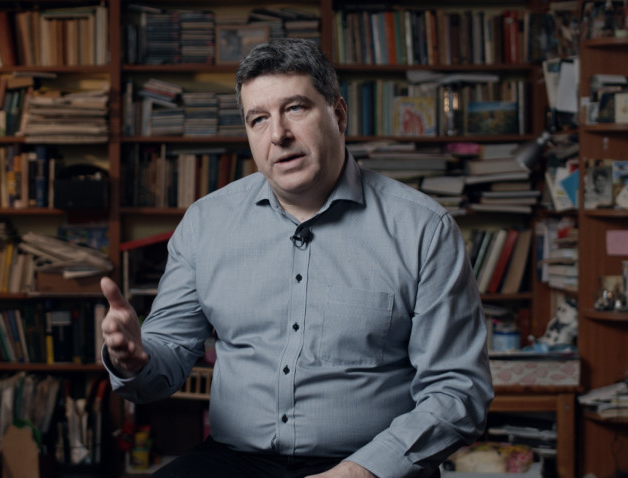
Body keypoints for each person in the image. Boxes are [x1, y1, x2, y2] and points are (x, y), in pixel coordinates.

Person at [99, 38, 493, 478]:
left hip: (371, 464)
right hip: (235, 461)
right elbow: (165, 360)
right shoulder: (205, 223)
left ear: (338, 114)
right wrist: (135, 359)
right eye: (258, 119)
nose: (278, 135)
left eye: (296, 109)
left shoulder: (423, 228)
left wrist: (359, 471)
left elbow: (458, 391)